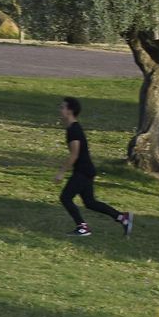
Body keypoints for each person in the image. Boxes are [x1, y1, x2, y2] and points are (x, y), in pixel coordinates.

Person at [55, 97, 133, 238]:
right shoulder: (73, 128)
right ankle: (122, 218)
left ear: (70, 111)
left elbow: (74, 155)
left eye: (62, 107)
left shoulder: (74, 130)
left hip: (83, 171)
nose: (60, 110)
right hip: (86, 170)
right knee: (90, 202)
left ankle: (82, 227)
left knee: (65, 198)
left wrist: (61, 172)